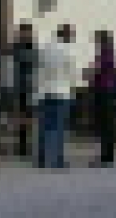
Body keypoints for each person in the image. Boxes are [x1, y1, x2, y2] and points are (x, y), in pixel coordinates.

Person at [35, 24, 79, 169]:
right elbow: (72, 74)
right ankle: (57, 159)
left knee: (44, 126)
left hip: (43, 92)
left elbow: (38, 70)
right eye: (72, 36)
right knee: (59, 127)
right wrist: (74, 86)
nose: (73, 39)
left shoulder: (44, 49)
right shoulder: (68, 51)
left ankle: (42, 158)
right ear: (67, 36)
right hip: (61, 92)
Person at [88, 30, 116, 167]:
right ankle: (108, 155)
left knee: (105, 124)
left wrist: (90, 73)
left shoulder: (104, 55)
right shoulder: (112, 54)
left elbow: (96, 71)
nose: (95, 43)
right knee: (108, 124)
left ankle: (105, 157)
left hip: (103, 91)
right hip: (110, 90)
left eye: (96, 40)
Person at [9, 23, 40, 158]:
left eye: (28, 32)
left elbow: (36, 63)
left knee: (29, 117)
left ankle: (28, 144)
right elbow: (21, 60)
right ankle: (22, 145)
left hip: (31, 87)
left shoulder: (33, 47)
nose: (27, 35)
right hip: (20, 87)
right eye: (24, 32)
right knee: (21, 117)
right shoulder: (17, 47)